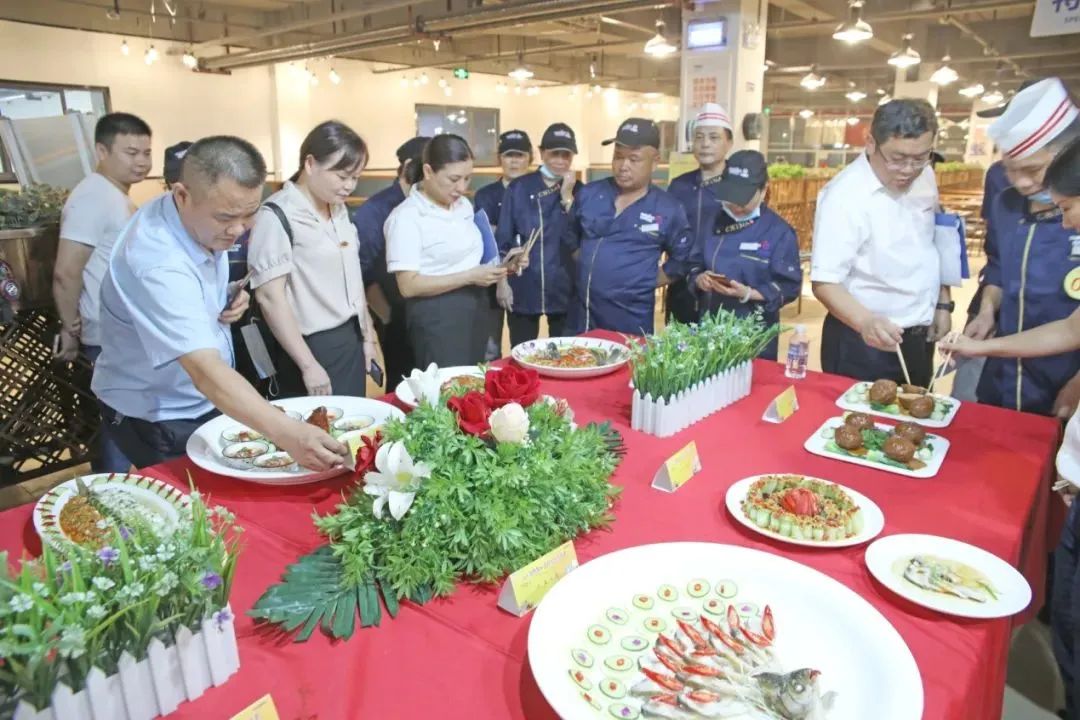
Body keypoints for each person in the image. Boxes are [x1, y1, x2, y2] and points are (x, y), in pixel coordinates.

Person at [91, 136, 348, 471]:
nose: (238, 230)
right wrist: (289, 433)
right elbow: (204, 371)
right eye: (225, 217)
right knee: (193, 496)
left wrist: (225, 294)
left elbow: (192, 286)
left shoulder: (195, 218)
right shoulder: (155, 260)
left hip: (202, 398)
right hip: (160, 412)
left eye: (249, 214)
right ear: (181, 195)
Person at [940, 137, 1080, 720]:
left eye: (1069, 206)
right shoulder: (1003, 200)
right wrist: (984, 340)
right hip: (1024, 393)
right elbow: (1072, 328)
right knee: (1069, 614)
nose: (1064, 219)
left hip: (1058, 404)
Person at [810, 99, 951, 387]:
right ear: (871, 143)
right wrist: (866, 322)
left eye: (920, 157)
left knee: (916, 411)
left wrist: (943, 303)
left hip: (919, 333)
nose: (908, 169)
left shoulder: (925, 175)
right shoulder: (844, 196)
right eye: (897, 158)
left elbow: (932, 243)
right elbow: (825, 283)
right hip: (864, 340)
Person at [962, 77, 1080, 416]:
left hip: (1063, 371)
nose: (1021, 183)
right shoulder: (1006, 203)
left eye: (1033, 170)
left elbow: (1070, 330)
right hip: (1007, 364)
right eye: (1010, 171)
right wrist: (987, 312)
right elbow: (997, 264)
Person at [247, 121, 377, 399]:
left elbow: (354, 279)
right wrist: (308, 365)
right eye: (342, 176)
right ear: (310, 163)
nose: (349, 186)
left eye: (355, 178)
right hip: (307, 347)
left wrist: (368, 338)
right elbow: (270, 298)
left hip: (350, 337)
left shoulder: (339, 209)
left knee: (354, 419)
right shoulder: (277, 215)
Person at [52, 112, 152, 473]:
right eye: (131, 152)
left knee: (123, 421)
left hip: (123, 330)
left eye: (146, 152)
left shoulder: (113, 195)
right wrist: (70, 328)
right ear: (102, 151)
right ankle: (112, 496)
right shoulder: (93, 197)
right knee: (117, 424)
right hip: (106, 333)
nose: (141, 161)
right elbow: (66, 271)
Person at [385, 134, 527, 367]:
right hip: (437, 315)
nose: (461, 188)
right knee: (448, 384)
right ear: (428, 171)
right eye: (453, 179)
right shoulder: (406, 217)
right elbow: (408, 286)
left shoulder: (462, 206)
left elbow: (472, 258)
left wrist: (505, 267)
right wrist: (469, 276)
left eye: (468, 179)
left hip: (476, 307)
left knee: (474, 377)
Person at [566, 118, 692, 334]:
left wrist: (643, 281)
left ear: (655, 162)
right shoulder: (589, 194)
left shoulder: (668, 209)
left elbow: (682, 260)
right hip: (583, 317)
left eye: (634, 159)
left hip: (630, 320)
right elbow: (570, 238)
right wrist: (591, 268)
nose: (623, 166)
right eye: (618, 156)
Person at [687, 150, 802, 360]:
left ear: (764, 190)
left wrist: (749, 293)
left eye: (744, 198)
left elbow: (789, 287)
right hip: (709, 330)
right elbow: (693, 264)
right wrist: (699, 279)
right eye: (731, 196)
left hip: (755, 336)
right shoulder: (711, 222)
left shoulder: (779, 232)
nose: (737, 205)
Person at [351, 136, 428, 388]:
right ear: (410, 166)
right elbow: (361, 271)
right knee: (402, 382)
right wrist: (385, 316)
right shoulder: (376, 209)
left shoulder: (428, 203)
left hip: (426, 311)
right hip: (394, 314)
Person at [495, 123, 581, 346]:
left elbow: (583, 237)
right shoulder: (519, 188)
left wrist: (567, 197)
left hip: (565, 286)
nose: (560, 160)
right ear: (542, 153)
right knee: (522, 350)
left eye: (566, 155)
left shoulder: (580, 191)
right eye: (554, 153)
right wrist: (502, 283)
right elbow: (503, 239)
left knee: (565, 353)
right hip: (524, 283)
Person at [667, 103, 735, 324]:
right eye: (699, 137)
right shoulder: (679, 186)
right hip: (681, 284)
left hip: (724, 286)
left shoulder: (738, 187)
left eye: (714, 137)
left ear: (729, 143)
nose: (705, 144)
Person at [474, 130, 533, 360]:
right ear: (500, 158)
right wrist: (501, 281)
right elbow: (489, 243)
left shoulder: (538, 193)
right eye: (509, 155)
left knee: (525, 349)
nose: (514, 161)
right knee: (490, 350)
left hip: (528, 281)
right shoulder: (486, 195)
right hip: (493, 280)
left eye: (520, 155)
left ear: (530, 158)